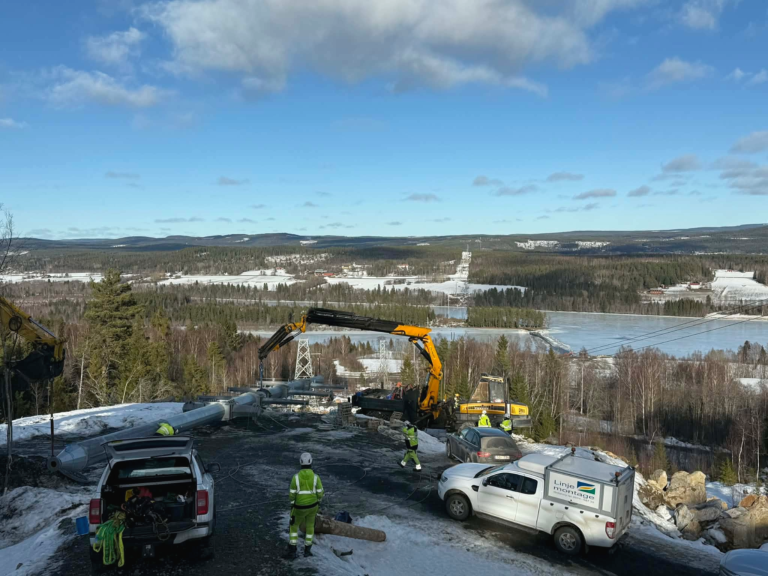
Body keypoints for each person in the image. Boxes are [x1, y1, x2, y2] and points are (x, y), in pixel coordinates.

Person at [284, 452, 324, 560]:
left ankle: (292, 551)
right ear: (311, 462)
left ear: (300, 462)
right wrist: (318, 502)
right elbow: (320, 493)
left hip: (299, 507)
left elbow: (292, 495)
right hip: (313, 507)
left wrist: (292, 505)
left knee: (293, 526)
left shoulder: (295, 478)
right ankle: (307, 551)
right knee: (310, 526)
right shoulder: (316, 477)